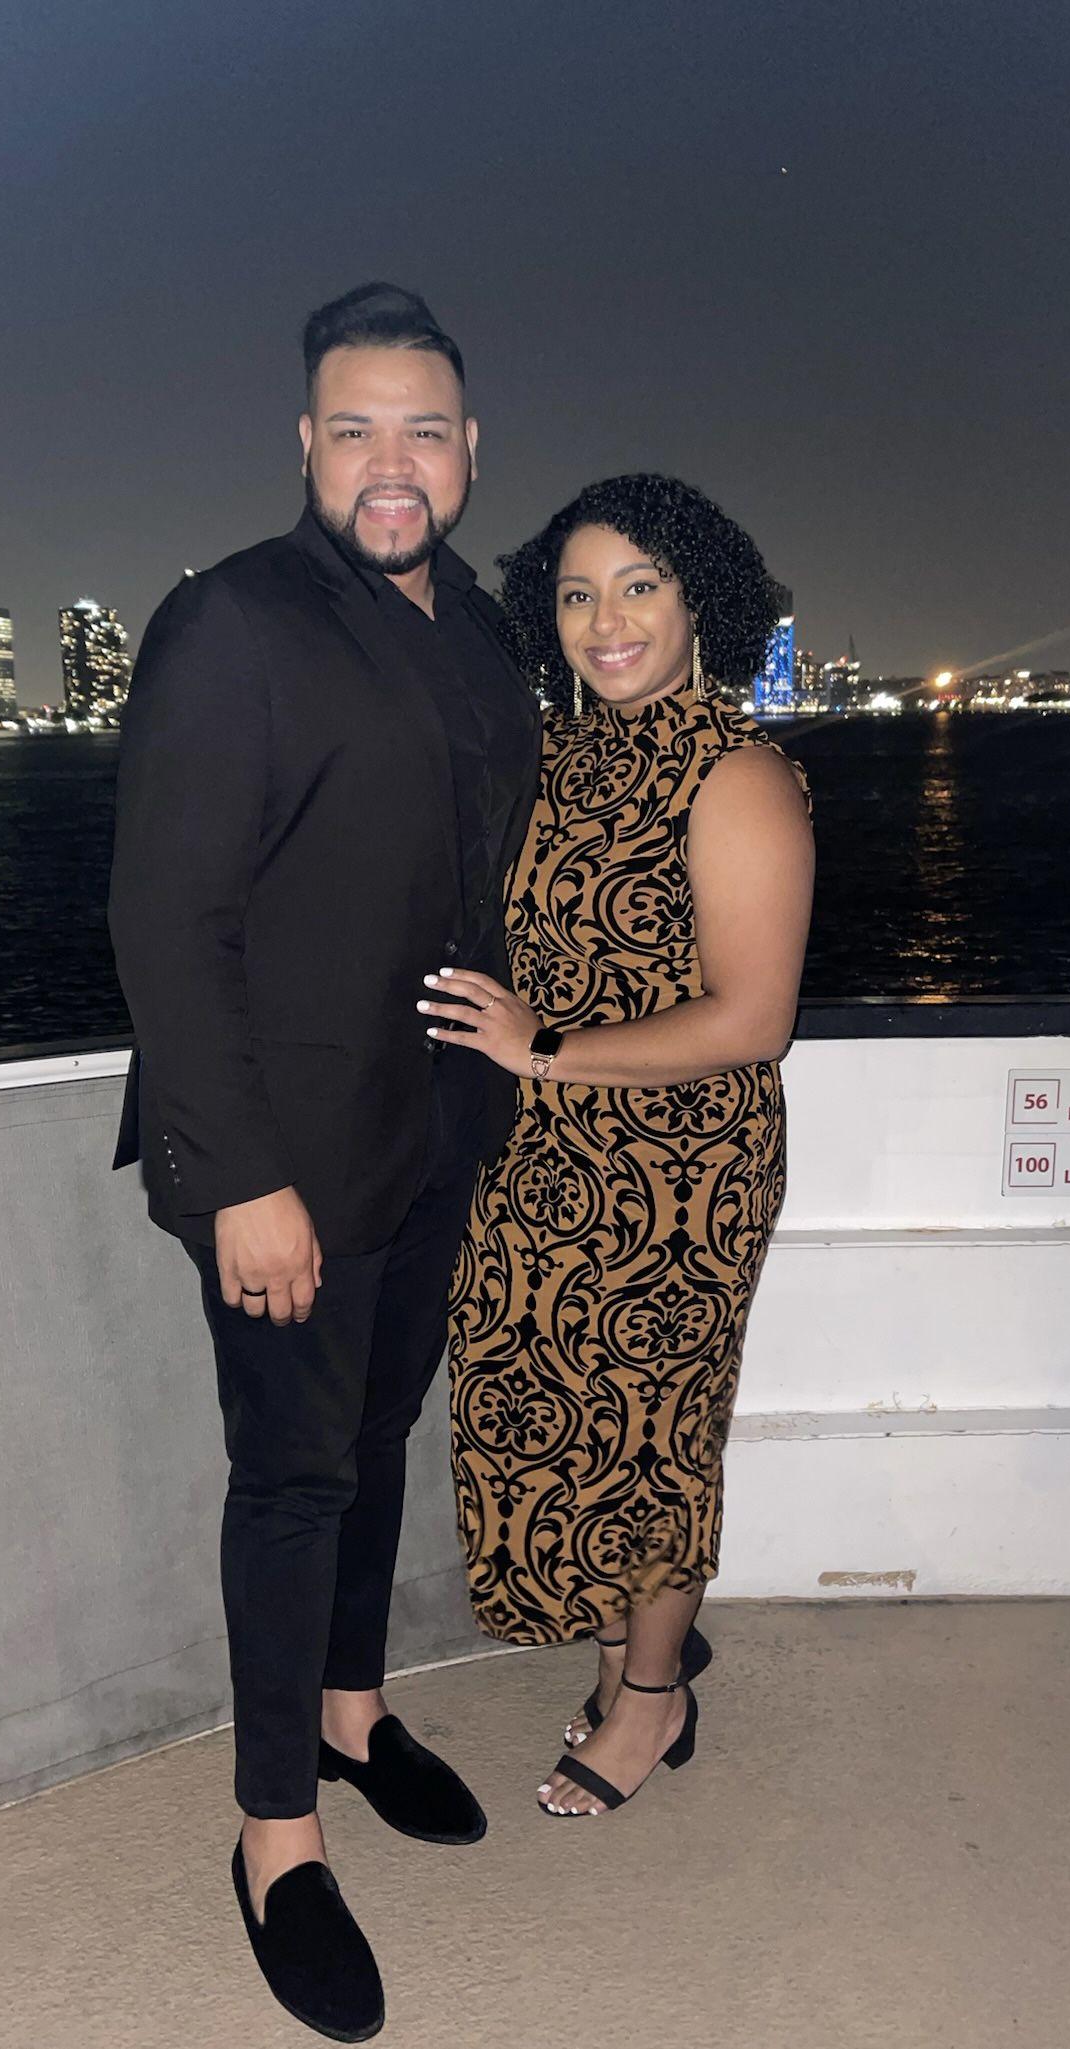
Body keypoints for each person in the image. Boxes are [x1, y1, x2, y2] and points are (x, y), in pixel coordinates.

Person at [107, 282, 540, 2040]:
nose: (390, 461)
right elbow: (165, 916)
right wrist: (236, 1179)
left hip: (435, 1125)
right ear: (305, 444)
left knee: (375, 1436)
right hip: (281, 1154)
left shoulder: (483, 632)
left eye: (422, 429)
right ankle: (273, 1831)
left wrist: (512, 1011)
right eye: (354, 428)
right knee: (292, 1476)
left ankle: (353, 1712)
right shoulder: (232, 619)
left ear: (468, 449)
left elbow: (465, 865)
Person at [423, 474, 814, 1820]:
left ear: (699, 602)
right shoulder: (551, 756)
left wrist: (541, 1047)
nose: (607, 621)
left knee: (653, 1435)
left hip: (681, 1162)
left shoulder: (736, 774)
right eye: (578, 594)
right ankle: (622, 1650)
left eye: (640, 586)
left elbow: (753, 1018)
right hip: (541, 1153)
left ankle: (650, 1695)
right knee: (560, 1417)